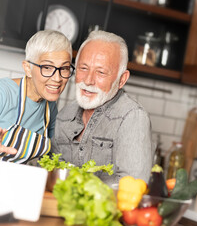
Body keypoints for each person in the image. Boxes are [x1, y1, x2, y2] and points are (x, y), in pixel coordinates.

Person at [0, 30, 73, 164]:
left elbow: (54, 156)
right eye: (47, 67)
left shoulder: (50, 107)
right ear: (28, 68)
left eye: (64, 68)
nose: (57, 78)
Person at [51, 30, 153, 185]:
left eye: (101, 72)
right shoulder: (65, 114)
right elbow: (51, 170)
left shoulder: (133, 117)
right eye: (83, 68)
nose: (88, 80)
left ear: (122, 79)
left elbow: (132, 186)